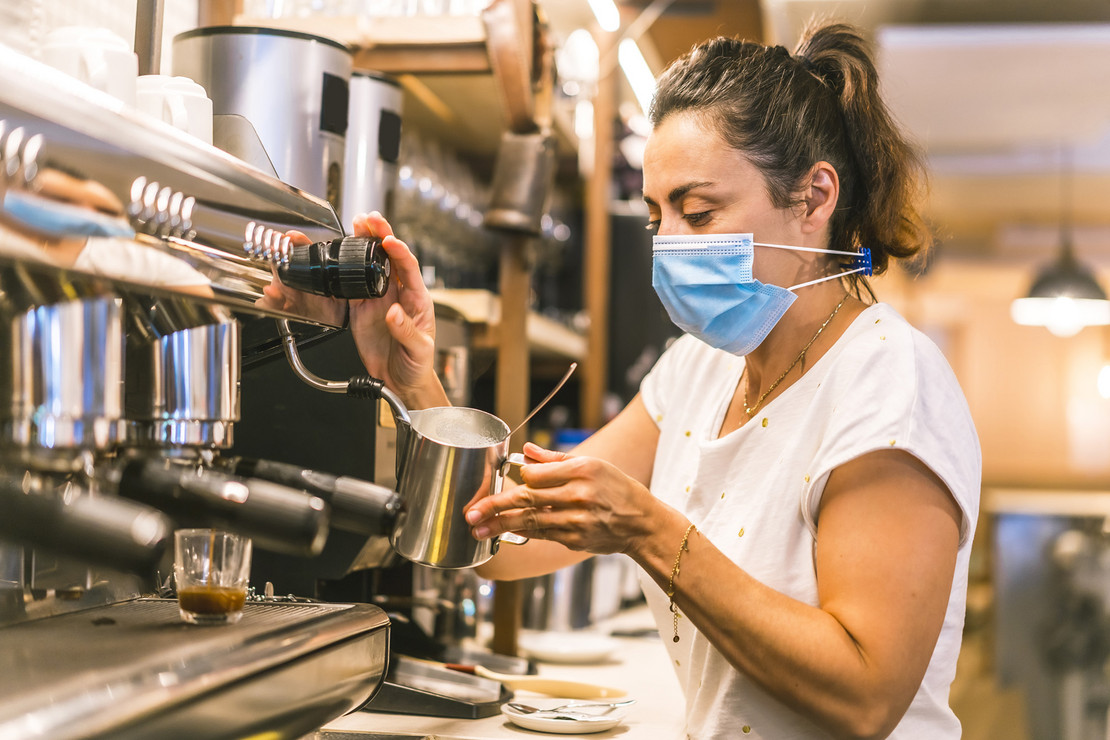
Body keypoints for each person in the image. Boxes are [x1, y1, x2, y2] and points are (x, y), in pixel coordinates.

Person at [266, 20, 981, 740]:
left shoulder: (890, 385)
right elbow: (505, 535)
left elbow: (865, 697)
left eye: (699, 213)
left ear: (813, 198)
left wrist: (647, 530)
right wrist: (411, 377)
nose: (669, 243)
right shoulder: (698, 371)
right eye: (655, 215)